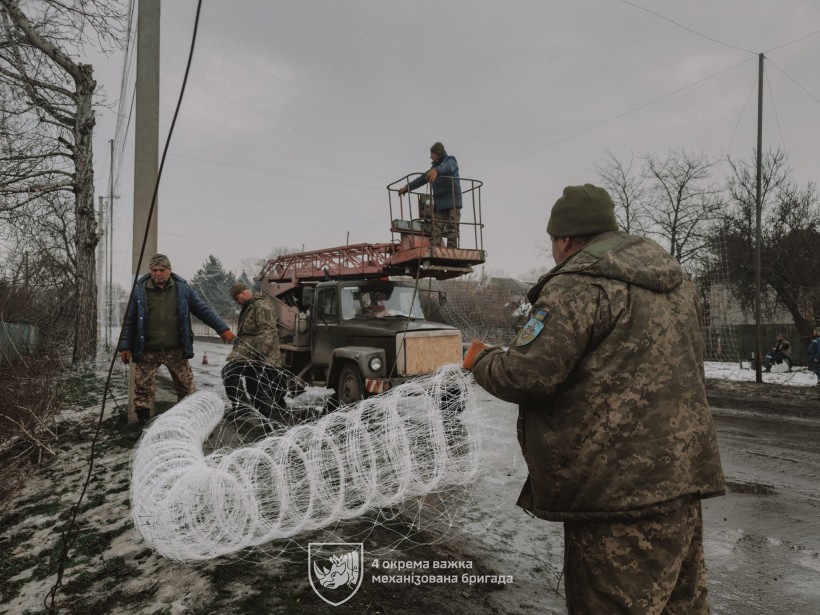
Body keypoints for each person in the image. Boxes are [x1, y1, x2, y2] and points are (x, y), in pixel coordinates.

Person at [462, 184, 726, 614]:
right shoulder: (675, 282)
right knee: (682, 606)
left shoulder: (579, 285)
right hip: (682, 481)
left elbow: (528, 375)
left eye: (553, 243)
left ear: (565, 239)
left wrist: (480, 360)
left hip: (616, 497)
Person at [118, 254, 235, 425]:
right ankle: (143, 425)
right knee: (143, 389)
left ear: (169, 271)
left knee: (186, 387)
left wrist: (222, 328)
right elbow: (130, 320)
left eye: (162, 270)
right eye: (154, 270)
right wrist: (125, 347)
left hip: (175, 350)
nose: (158, 273)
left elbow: (203, 310)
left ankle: (189, 422)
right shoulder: (140, 290)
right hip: (148, 351)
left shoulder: (182, 289)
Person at [221, 282, 290, 420]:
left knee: (229, 372)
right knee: (257, 393)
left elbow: (268, 331)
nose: (237, 302)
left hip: (259, 356)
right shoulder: (251, 306)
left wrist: (258, 354)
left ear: (242, 293)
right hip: (253, 355)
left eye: (236, 298)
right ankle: (277, 424)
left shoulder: (261, 305)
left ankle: (242, 408)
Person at [398, 141, 462, 247]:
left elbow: (447, 167)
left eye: (432, 154)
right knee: (436, 229)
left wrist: (436, 171)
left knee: (452, 229)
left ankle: (453, 251)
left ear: (437, 153)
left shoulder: (451, 160)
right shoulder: (433, 168)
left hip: (453, 202)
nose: (430, 156)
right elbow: (421, 179)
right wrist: (407, 188)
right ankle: (434, 250)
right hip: (440, 204)